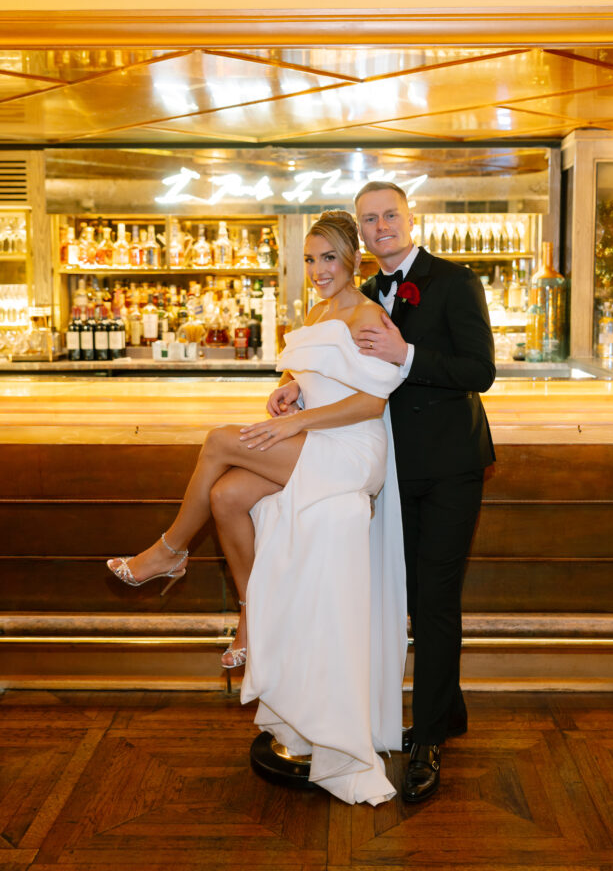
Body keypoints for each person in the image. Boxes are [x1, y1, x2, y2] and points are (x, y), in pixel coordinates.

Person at [107, 210, 407, 806]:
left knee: (220, 441)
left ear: (353, 259)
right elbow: (316, 373)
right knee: (226, 496)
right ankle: (252, 611)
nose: (318, 270)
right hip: (314, 438)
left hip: (350, 450)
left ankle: (168, 552)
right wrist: (290, 386)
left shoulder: (367, 314)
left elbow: (371, 404)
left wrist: (296, 421)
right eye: (310, 259)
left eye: (328, 258)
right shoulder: (318, 313)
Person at [352, 181, 496, 804]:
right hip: (391, 471)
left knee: (434, 601)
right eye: (369, 219)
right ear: (361, 232)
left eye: (390, 214)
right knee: (412, 596)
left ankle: (429, 738)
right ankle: (449, 711)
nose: (381, 226)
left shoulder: (455, 281)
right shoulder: (363, 295)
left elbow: (480, 371)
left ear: (411, 220)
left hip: (450, 468)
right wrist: (297, 387)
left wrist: (407, 353)